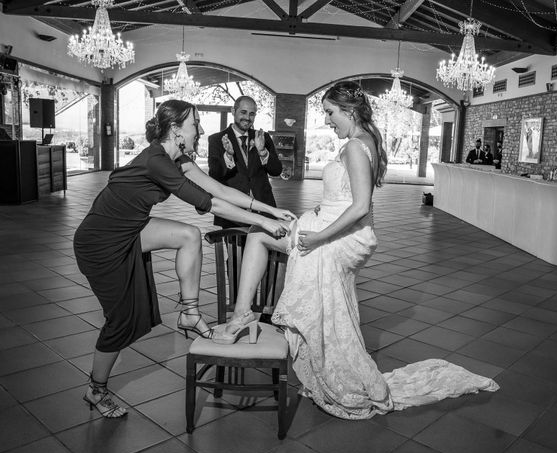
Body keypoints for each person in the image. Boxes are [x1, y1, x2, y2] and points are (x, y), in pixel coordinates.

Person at [212, 81, 498, 419]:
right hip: (333, 224)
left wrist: (318, 238)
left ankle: (244, 315)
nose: (328, 121)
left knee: (260, 236)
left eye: (331, 113)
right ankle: (246, 314)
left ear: (349, 111)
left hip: (339, 234)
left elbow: (361, 205)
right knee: (262, 235)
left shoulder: (354, 147)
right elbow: (347, 199)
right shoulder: (367, 141)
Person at [73, 99, 295, 419]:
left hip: (130, 228)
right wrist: (262, 223)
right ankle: (96, 389)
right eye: (195, 124)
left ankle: (190, 314)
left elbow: (218, 189)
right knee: (120, 320)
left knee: (189, 235)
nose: (201, 130)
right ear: (176, 129)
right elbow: (210, 204)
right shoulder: (156, 161)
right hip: (101, 241)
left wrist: (269, 209)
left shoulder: (179, 159)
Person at [208, 96, 282, 229]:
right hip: (233, 212)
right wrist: (228, 156)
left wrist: (263, 152)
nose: (247, 118)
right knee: (236, 250)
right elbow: (215, 175)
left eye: (252, 114)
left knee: (267, 249)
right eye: (243, 112)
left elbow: (276, 170)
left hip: (264, 210)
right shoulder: (216, 139)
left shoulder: (262, 137)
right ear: (233, 111)